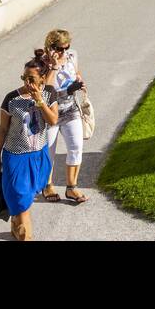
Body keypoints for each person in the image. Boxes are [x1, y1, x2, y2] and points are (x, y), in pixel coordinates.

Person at [0, 57, 59, 241]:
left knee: (26, 198)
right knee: (21, 201)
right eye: (24, 77)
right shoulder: (11, 99)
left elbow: (53, 121)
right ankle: (25, 236)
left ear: (42, 79)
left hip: (39, 155)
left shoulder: (49, 93)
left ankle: (16, 225)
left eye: (31, 78)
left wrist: (39, 101)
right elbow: (2, 129)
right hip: (16, 157)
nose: (27, 82)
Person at [38, 30, 88, 204]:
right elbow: (45, 90)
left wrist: (80, 82)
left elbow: (76, 72)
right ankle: (47, 185)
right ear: (50, 47)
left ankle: (71, 188)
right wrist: (54, 65)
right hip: (50, 113)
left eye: (67, 48)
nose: (64, 52)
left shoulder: (71, 56)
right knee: (49, 153)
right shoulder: (40, 63)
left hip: (70, 109)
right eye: (60, 48)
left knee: (76, 148)